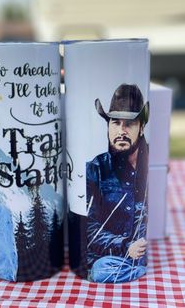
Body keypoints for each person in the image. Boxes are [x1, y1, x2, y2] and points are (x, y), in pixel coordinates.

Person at [86, 83, 149, 283]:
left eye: (129, 123)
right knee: (99, 270)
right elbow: (89, 227)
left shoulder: (148, 167)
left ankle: (138, 270)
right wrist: (125, 245)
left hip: (140, 259)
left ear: (141, 128)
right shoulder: (96, 168)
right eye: (115, 122)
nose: (121, 130)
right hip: (108, 259)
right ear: (108, 126)